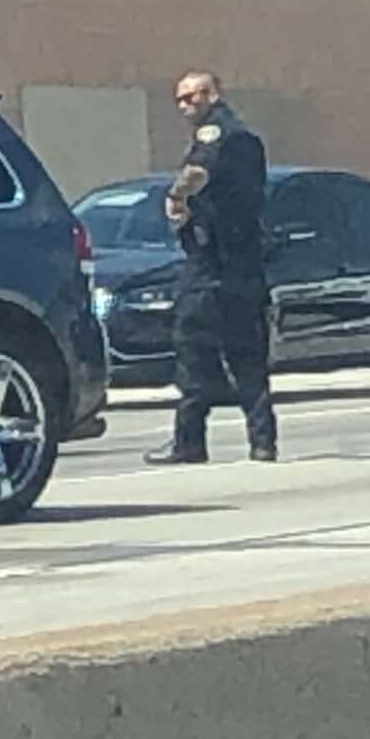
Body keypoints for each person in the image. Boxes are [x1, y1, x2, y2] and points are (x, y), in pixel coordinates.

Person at [148, 69, 276, 466]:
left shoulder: (216, 133)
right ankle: (263, 441)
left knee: (193, 351)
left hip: (211, 265)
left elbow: (198, 171)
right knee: (248, 357)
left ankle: (189, 442)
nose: (184, 106)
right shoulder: (250, 140)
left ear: (212, 94)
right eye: (180, 100)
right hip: (246, 265)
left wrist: (176, 198)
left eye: (191, 97)